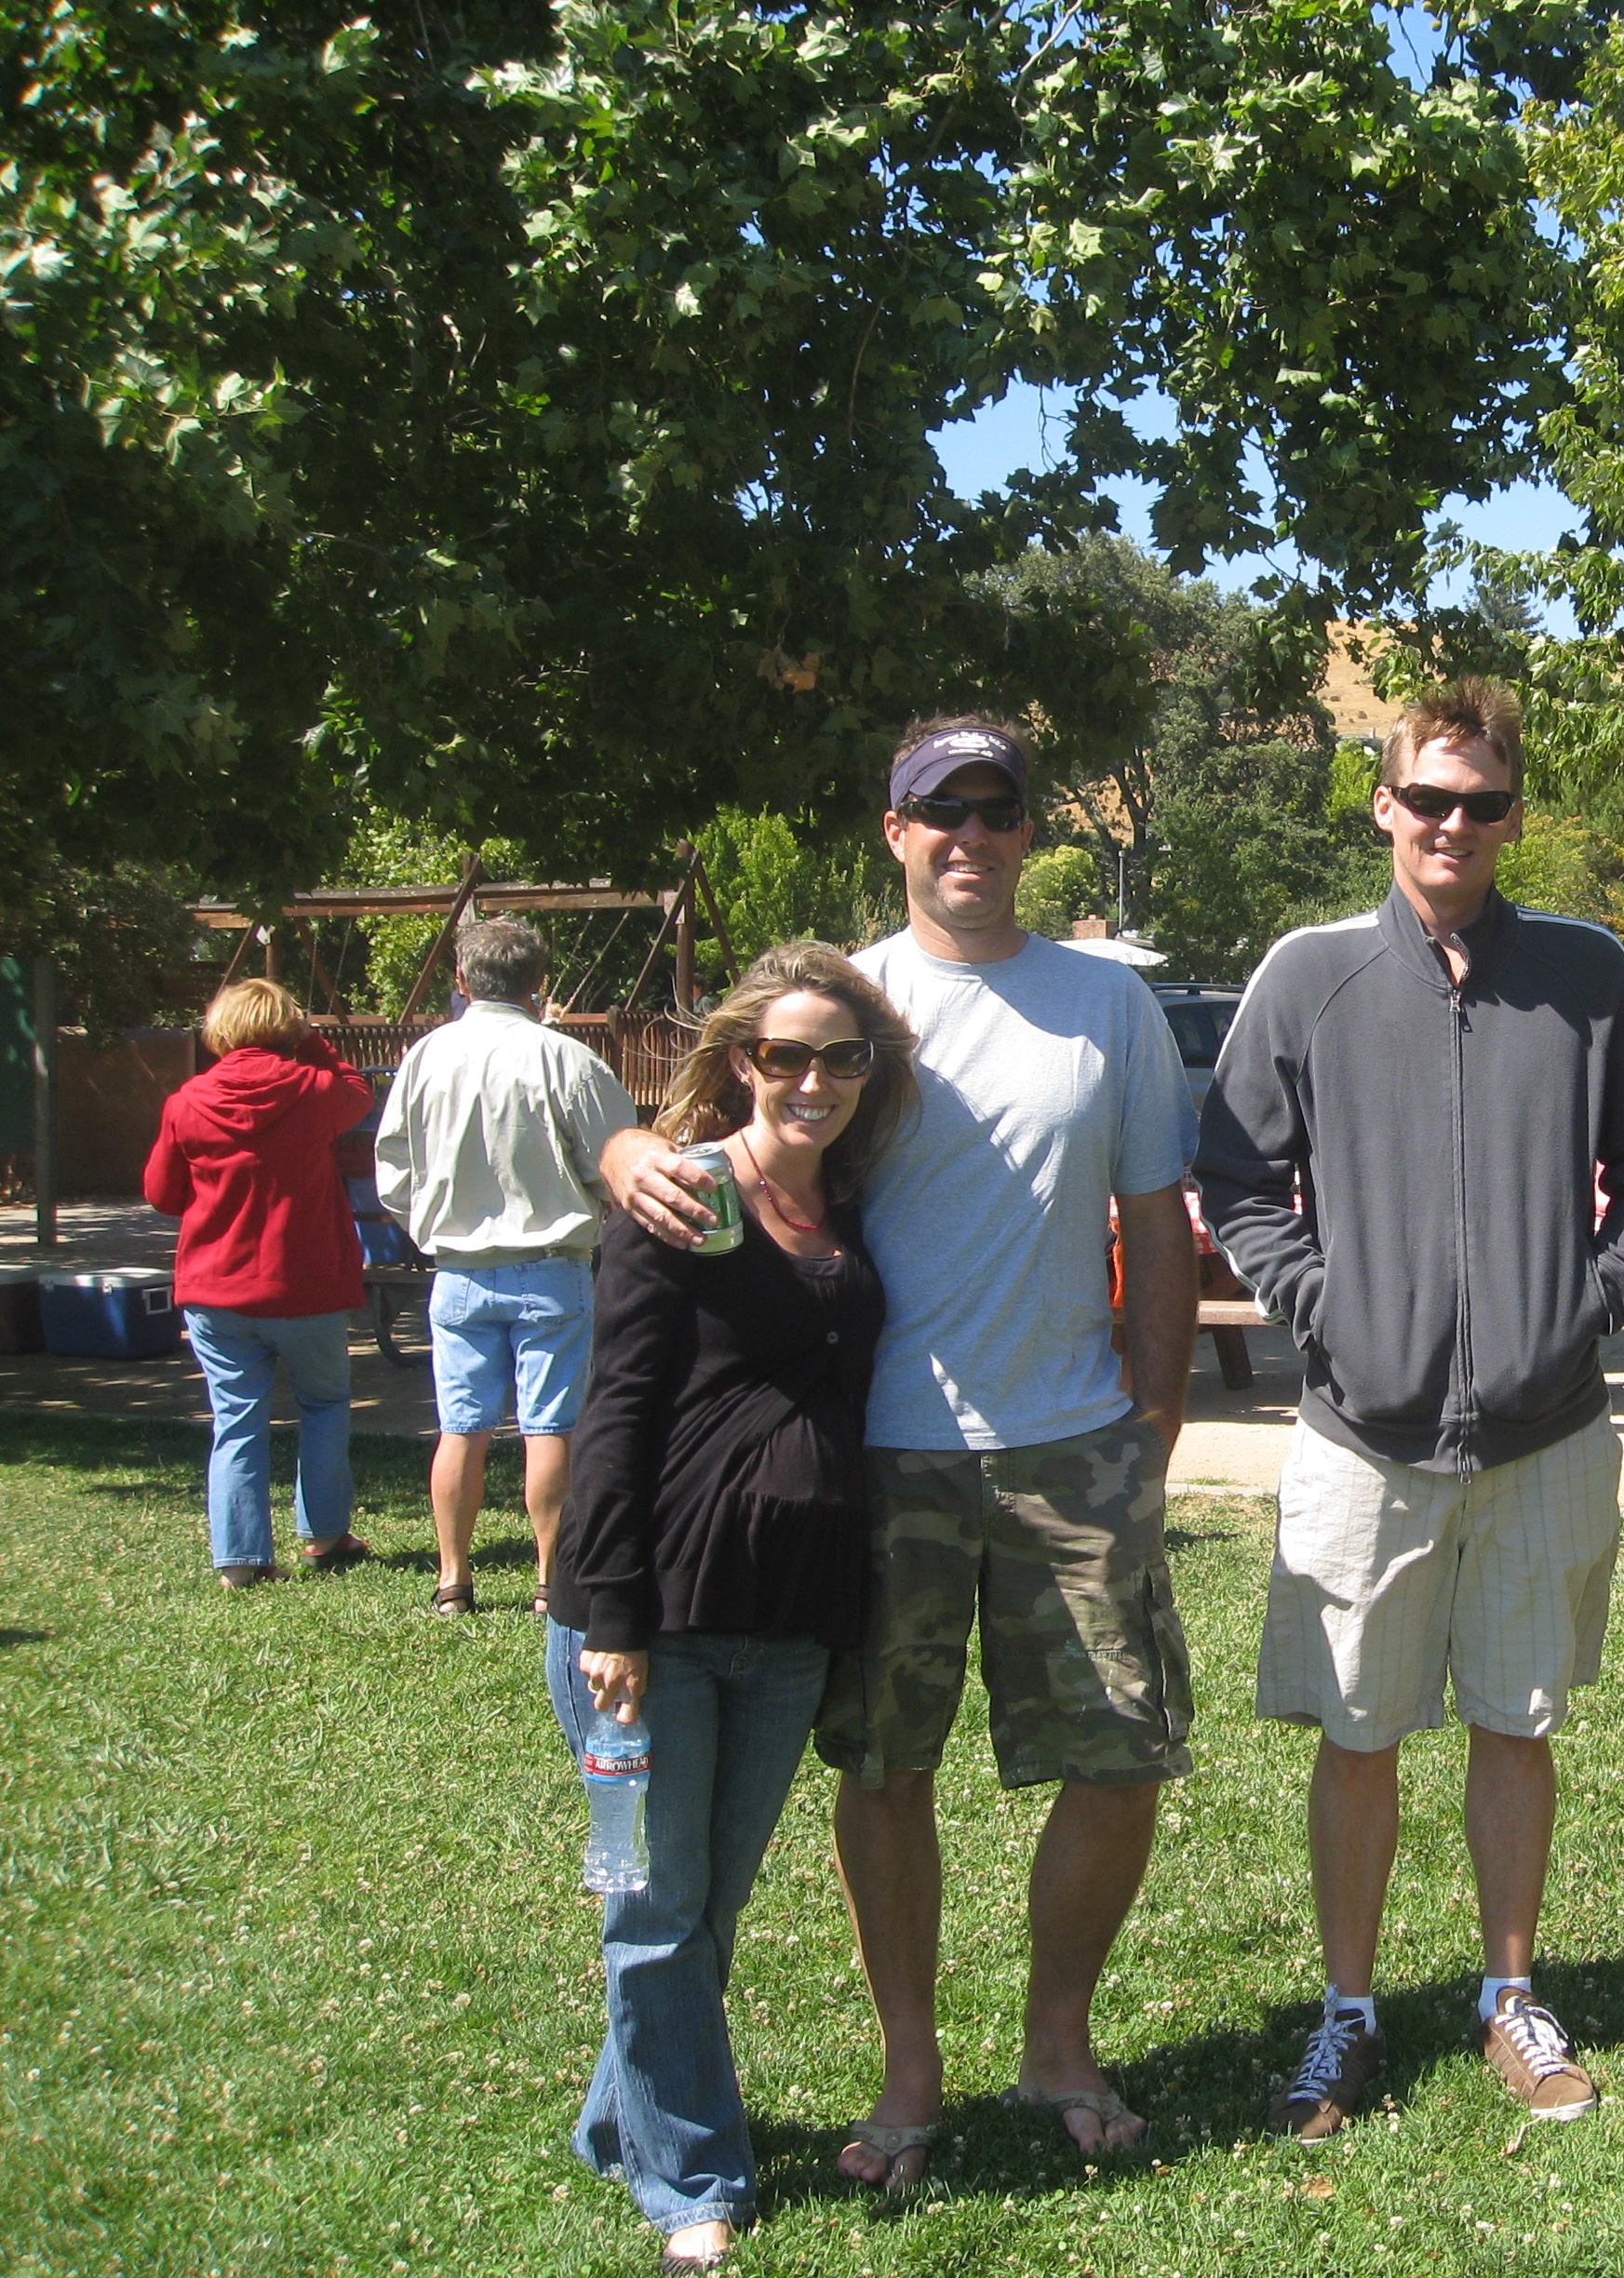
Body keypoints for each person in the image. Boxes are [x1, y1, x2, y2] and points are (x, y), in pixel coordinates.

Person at [603, 717, 1201, 2187]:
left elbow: (1155, 1223)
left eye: (999, 810)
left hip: (1077, 1442)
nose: (972, 836)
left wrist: (1155, 1421)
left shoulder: (1109, 1005)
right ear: (897, 832)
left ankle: (1058, 2043)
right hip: (879, 1453)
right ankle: (910, 2067)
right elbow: (703, 1130)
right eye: (945, 811)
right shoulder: (852, 1003)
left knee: (1121, 1755)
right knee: (883, 1766)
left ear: (1031, 831)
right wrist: (619, 1153)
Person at [1197, 678, 1624, 2141]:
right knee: (1357, 1730)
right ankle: (1346, 2010)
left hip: (1548, 1431)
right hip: (1364, 1433)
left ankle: (1509, 1995)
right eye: (1429, 797)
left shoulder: (1588, 973)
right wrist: (1326, 1308)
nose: (1453, 824)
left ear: (1513, 818)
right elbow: (1238, 1177)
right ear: (1384, 805)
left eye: (1482, 803)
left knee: (1515, 1719)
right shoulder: (1308, 975)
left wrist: (1586, 1303)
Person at [546, 943, 913, 2270]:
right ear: (741, 1061)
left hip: (787, 1622)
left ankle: (622, 2122)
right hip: (651, 1620)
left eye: (840, 1058)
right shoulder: (688, 1196)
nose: (813, 1081)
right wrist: (610, 1617)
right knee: (652, 1909)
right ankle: (692, 2179)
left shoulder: (852, 1204)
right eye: (785, 1055)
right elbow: (617, 1412)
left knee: (704, 1913)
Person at [376, 917, 638, 1615]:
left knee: (461, 1427)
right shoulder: (567, 1059)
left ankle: (453, 1578)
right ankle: (552, 1579)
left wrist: (431, 1221)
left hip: (458, 1269)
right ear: (539, 982)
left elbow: (393, 1171)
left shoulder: (425, 1058)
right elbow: (617, 1163)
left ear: (461, 980)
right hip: (551, 1267)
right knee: (550, 1428)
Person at [142, 979, 377, 1588]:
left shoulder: (186, 1102)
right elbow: (358, 1091)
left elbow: (162, 1194)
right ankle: (325, 1535)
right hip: (307, 1285)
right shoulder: (314, 1091)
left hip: (215, 1289)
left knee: (236, 1421)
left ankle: (240, 1559)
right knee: (323, 1406)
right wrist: (313, 1040)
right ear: (288, 1029)